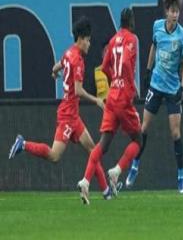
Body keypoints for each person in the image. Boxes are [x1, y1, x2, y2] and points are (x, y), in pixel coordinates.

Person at [8, 17, 112, 200]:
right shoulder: (78, 61)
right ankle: (23, 144)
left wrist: (55, 72)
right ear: (80, 38)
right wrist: (96, 100)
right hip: (68, 116)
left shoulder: (68, 52)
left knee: (92, 149)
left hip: (72, 115)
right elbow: (78, 90)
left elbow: (57, 66)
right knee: (54, 155)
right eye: (88, 40)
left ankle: (106, 191)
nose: (89, 44)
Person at [125, 0, 183, 193]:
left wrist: (182, 88)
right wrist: (147, 70)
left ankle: (181, 175)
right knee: (143, 128)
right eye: (172, 11)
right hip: (156, 84)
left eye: (177, 11)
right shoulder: (157, 27)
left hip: (172, 88)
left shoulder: (182, 36)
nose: (175, 15)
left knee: (175, 132)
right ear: (166, 12)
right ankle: (135, 165)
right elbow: (153, 47)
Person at [77, 8, 142, 204]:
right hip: (124, 97)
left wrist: (115, 80)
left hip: (111, 97)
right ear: (131, 22)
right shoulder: (132, 39)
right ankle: (117, 171)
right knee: (138, 140)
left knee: (102, 144)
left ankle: (85, 181)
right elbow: (128, 64)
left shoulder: (113, 41)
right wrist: (129, 86)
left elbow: (104, 67)